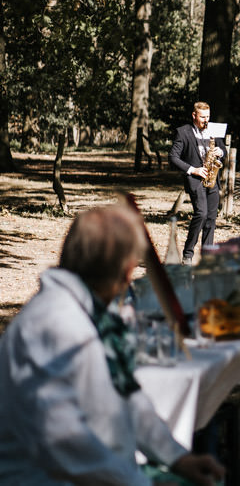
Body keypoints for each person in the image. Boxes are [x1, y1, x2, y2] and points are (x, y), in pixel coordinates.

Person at [0, 205, 225, 485]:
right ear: (125, 273)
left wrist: (177, 458)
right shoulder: (56, 324)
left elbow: (128, 397)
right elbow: (65, 442)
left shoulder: (90, 315)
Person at [169, 100, 226, 265]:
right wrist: (193, 170)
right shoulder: (183, 132)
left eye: (208, 117)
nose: (206, 120)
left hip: (212, 179)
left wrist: (220, 151)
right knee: (201, 214)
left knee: (211, 218)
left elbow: (224, 150)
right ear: (194, 115)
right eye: (202, 117)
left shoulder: (213, 130)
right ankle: (188, 254)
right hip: (195, 179)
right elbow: (173, 157)